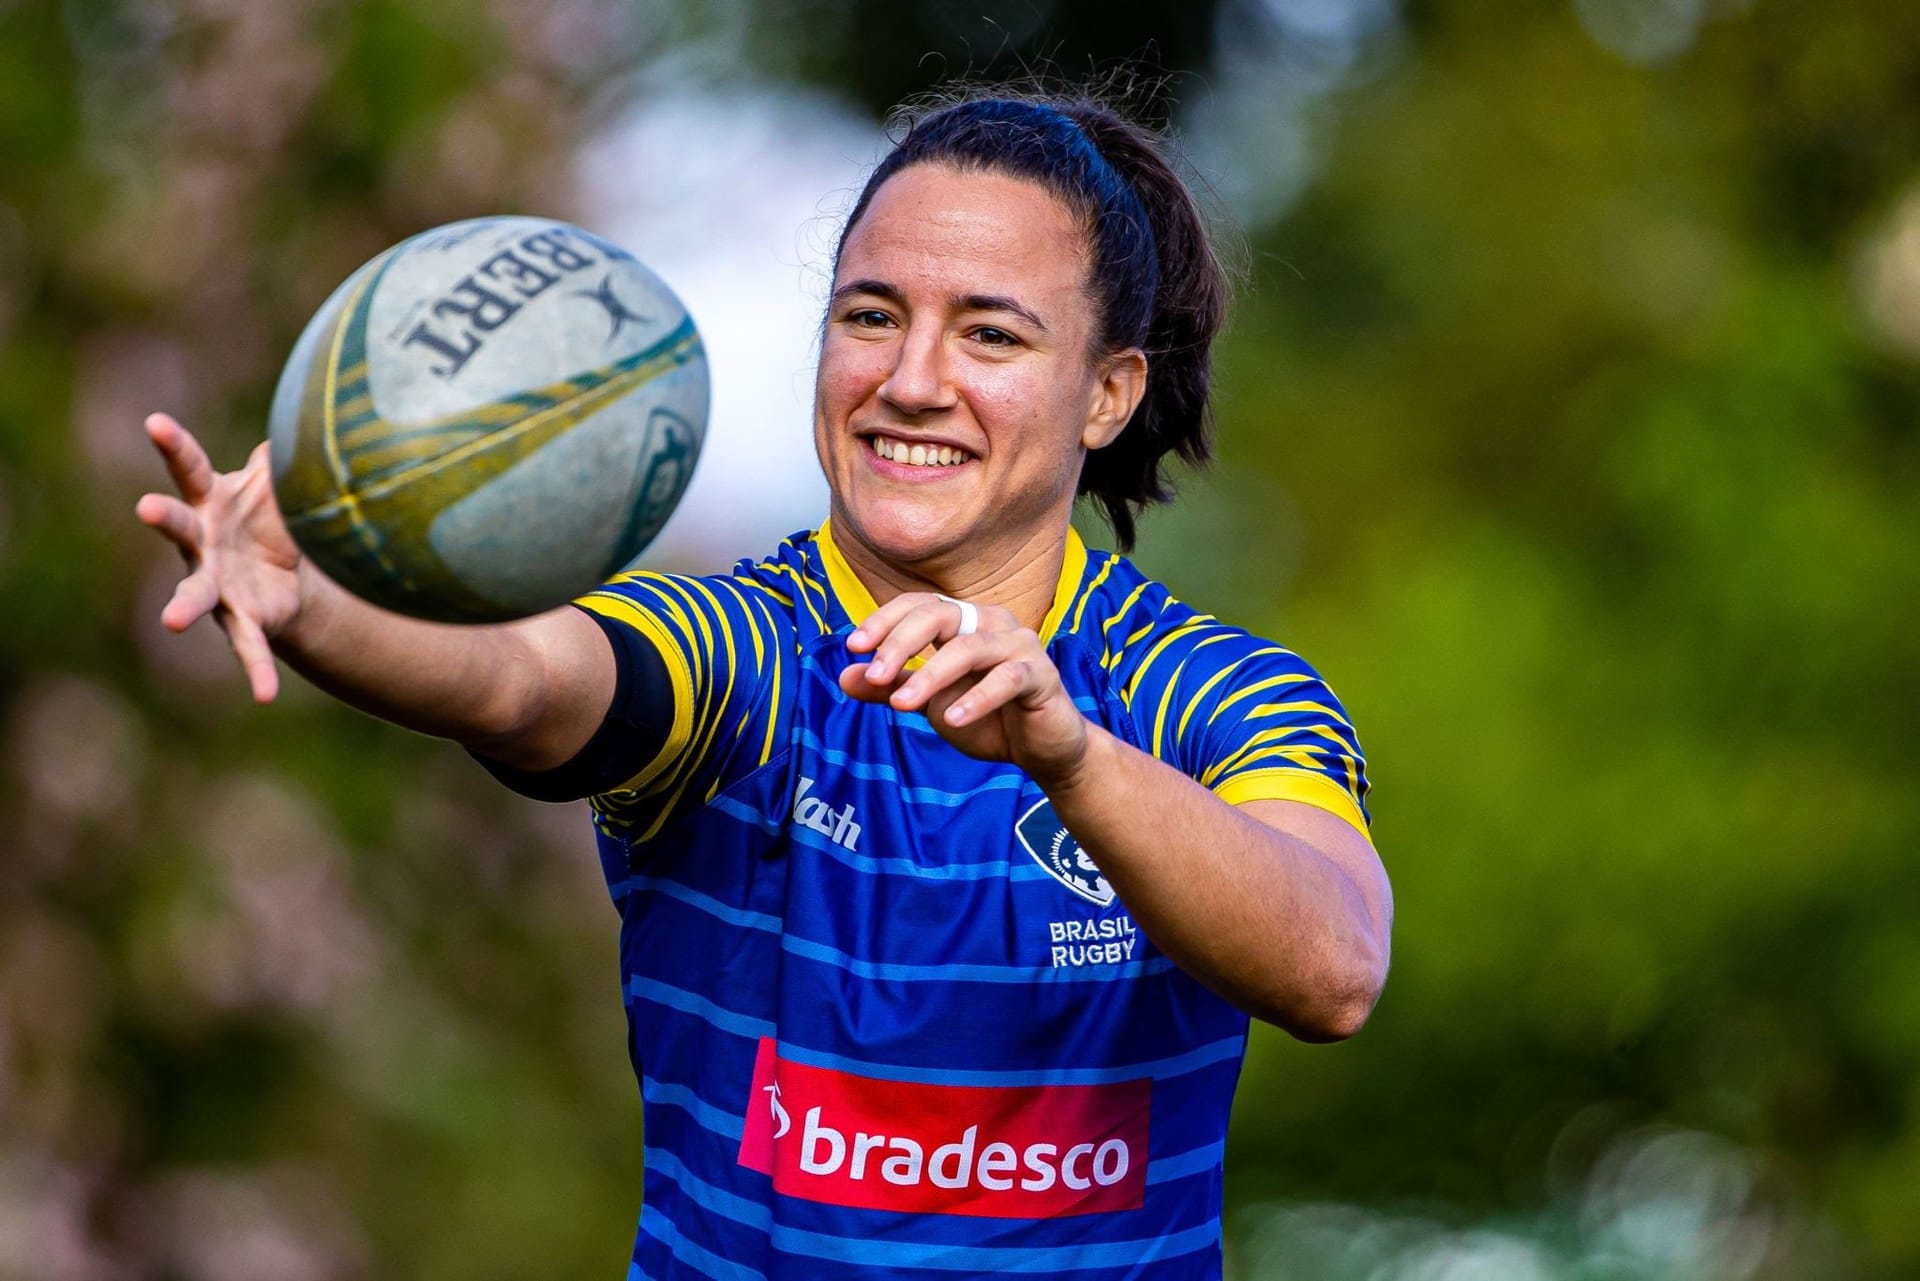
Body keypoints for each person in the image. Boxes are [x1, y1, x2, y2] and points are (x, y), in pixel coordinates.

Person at [138, 89, 1391, 1280]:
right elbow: (523, 678)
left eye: (991, 334)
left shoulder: (1203, 692)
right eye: (870, 316)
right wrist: (319, 607)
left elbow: (1332, 969)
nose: (910, 380)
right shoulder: (744, 650)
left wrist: (1072, 759)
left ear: (1109, 392)